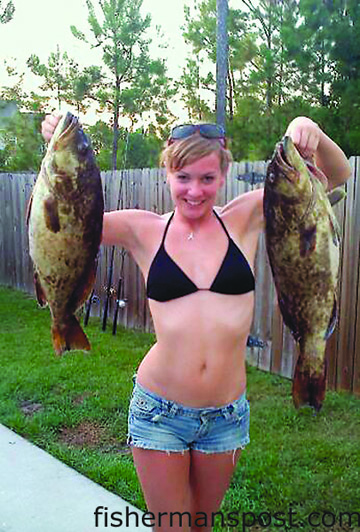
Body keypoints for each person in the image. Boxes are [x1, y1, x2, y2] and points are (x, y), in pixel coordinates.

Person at [42, 115, 351, 531]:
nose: (194, 190)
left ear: (224, 174)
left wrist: (306, 126)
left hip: (226, 416)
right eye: (183, 176)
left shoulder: (247, 216)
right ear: (167, 172)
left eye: (207, 178)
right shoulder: (142, 229)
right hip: (160, 412)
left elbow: (338, 174)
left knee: (202, 527)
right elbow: (65, 219)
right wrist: (58, 155)